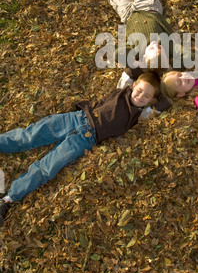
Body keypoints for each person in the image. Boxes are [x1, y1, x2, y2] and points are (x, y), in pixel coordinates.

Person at [0, 72, 161, 226]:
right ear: (133, 86)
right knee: (29, 136)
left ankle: (8, 199)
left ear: (152, 100)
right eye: (139, 90)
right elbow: (134, 67)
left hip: (84, 141)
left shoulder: (141, 115)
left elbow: (166, 99)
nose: (140, 97)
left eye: (147, 96)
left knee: (47, 169)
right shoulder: (123, 89)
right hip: (74, 119)